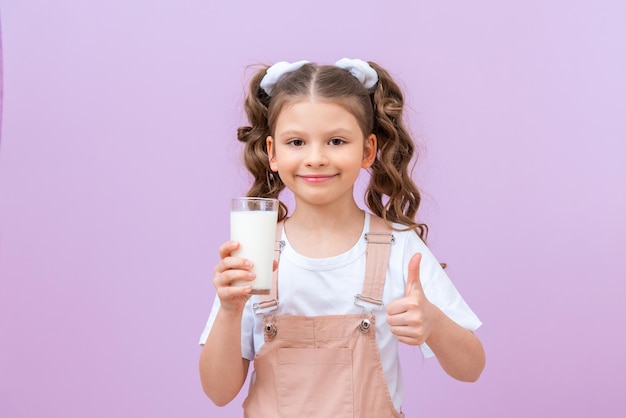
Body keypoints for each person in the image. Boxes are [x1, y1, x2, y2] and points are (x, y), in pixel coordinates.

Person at [198, 58, 485, 417]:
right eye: (297, 142)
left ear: (367, 151)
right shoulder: (253, 254)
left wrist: (433, 322)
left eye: (336, 140)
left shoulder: (399, 247)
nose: (316, 158)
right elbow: (218, 392)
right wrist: (229, 311)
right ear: (272, 152)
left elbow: (471, 368)